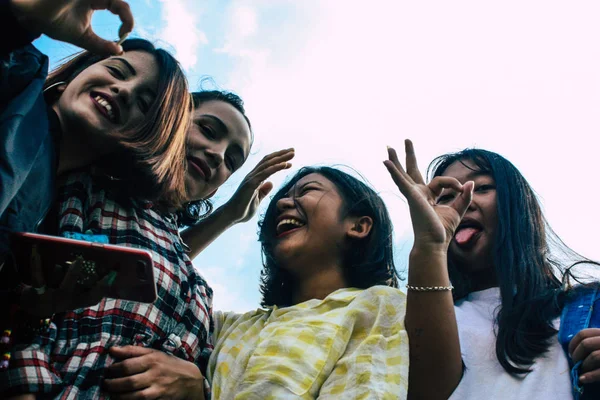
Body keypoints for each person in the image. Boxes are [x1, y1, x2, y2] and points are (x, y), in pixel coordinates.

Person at [1, 89, 295, 399]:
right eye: (208, 130)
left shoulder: (196, 284)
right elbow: (34, 295)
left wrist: (198, 386)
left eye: (231, 161)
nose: (217, 154)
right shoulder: (92, 193)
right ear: (169, 120)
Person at [0, 0, 192, 313]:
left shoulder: (62, 218)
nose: (125, 90)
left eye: (145, 105)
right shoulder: (18, 77)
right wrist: (16, 19)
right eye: (117, 71)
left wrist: (29, 306)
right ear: (74, 75)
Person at [384, 140, 600, 400]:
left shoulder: (588, 306)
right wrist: (430, 245)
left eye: (482, 187)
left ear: (519, 205)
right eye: (446, 198)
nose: (464, 202)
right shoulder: (412, 320)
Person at [200, 166, 408, 399]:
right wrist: (227, 216)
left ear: (358, 226)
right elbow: (164, 276)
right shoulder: (227, 327)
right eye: (284, 197)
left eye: (307, 190)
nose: (282, 203)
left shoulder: (378, 306)